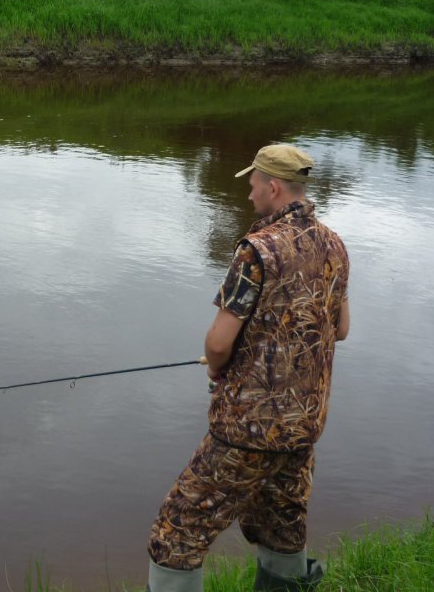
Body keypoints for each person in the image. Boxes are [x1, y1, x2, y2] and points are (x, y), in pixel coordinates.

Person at [146, 144, 350, 592]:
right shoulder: (334, 243)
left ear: (273, 187)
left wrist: (218, 367)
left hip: (249, 426)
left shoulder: (256, 250)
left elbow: (218, 343)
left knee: (177, 532)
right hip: (304, 424)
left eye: (254, 185)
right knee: (282, 523)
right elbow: (340, 329)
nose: (249, 195)